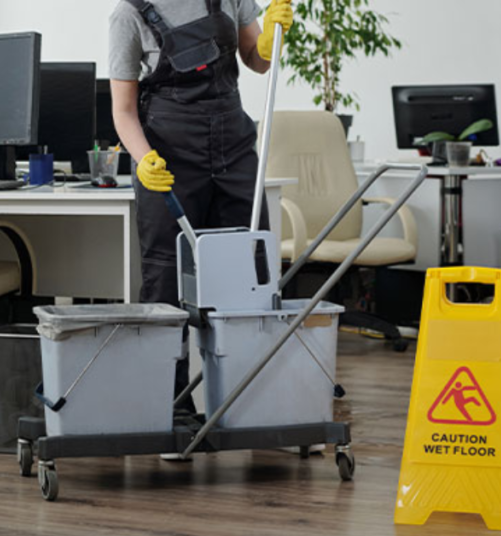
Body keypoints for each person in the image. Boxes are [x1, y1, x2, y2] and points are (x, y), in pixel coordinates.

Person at [109, 0, 294, 412]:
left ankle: (249, 403)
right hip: (170, 155)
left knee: (250, 271)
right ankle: (169, 407)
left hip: (234, 148)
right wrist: (144, 159)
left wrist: (267, 41)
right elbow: (122, 111)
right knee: (165, 279)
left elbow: (256, 62)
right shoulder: (130, 13)